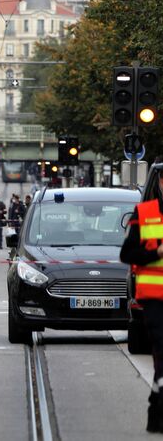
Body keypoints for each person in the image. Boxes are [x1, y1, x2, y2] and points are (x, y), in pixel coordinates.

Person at [120, 170, 163, 433]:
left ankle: (155, 408)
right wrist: (155, 251)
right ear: (160, 182)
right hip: (155, 299)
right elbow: (127, 254)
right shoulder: (145, 212)